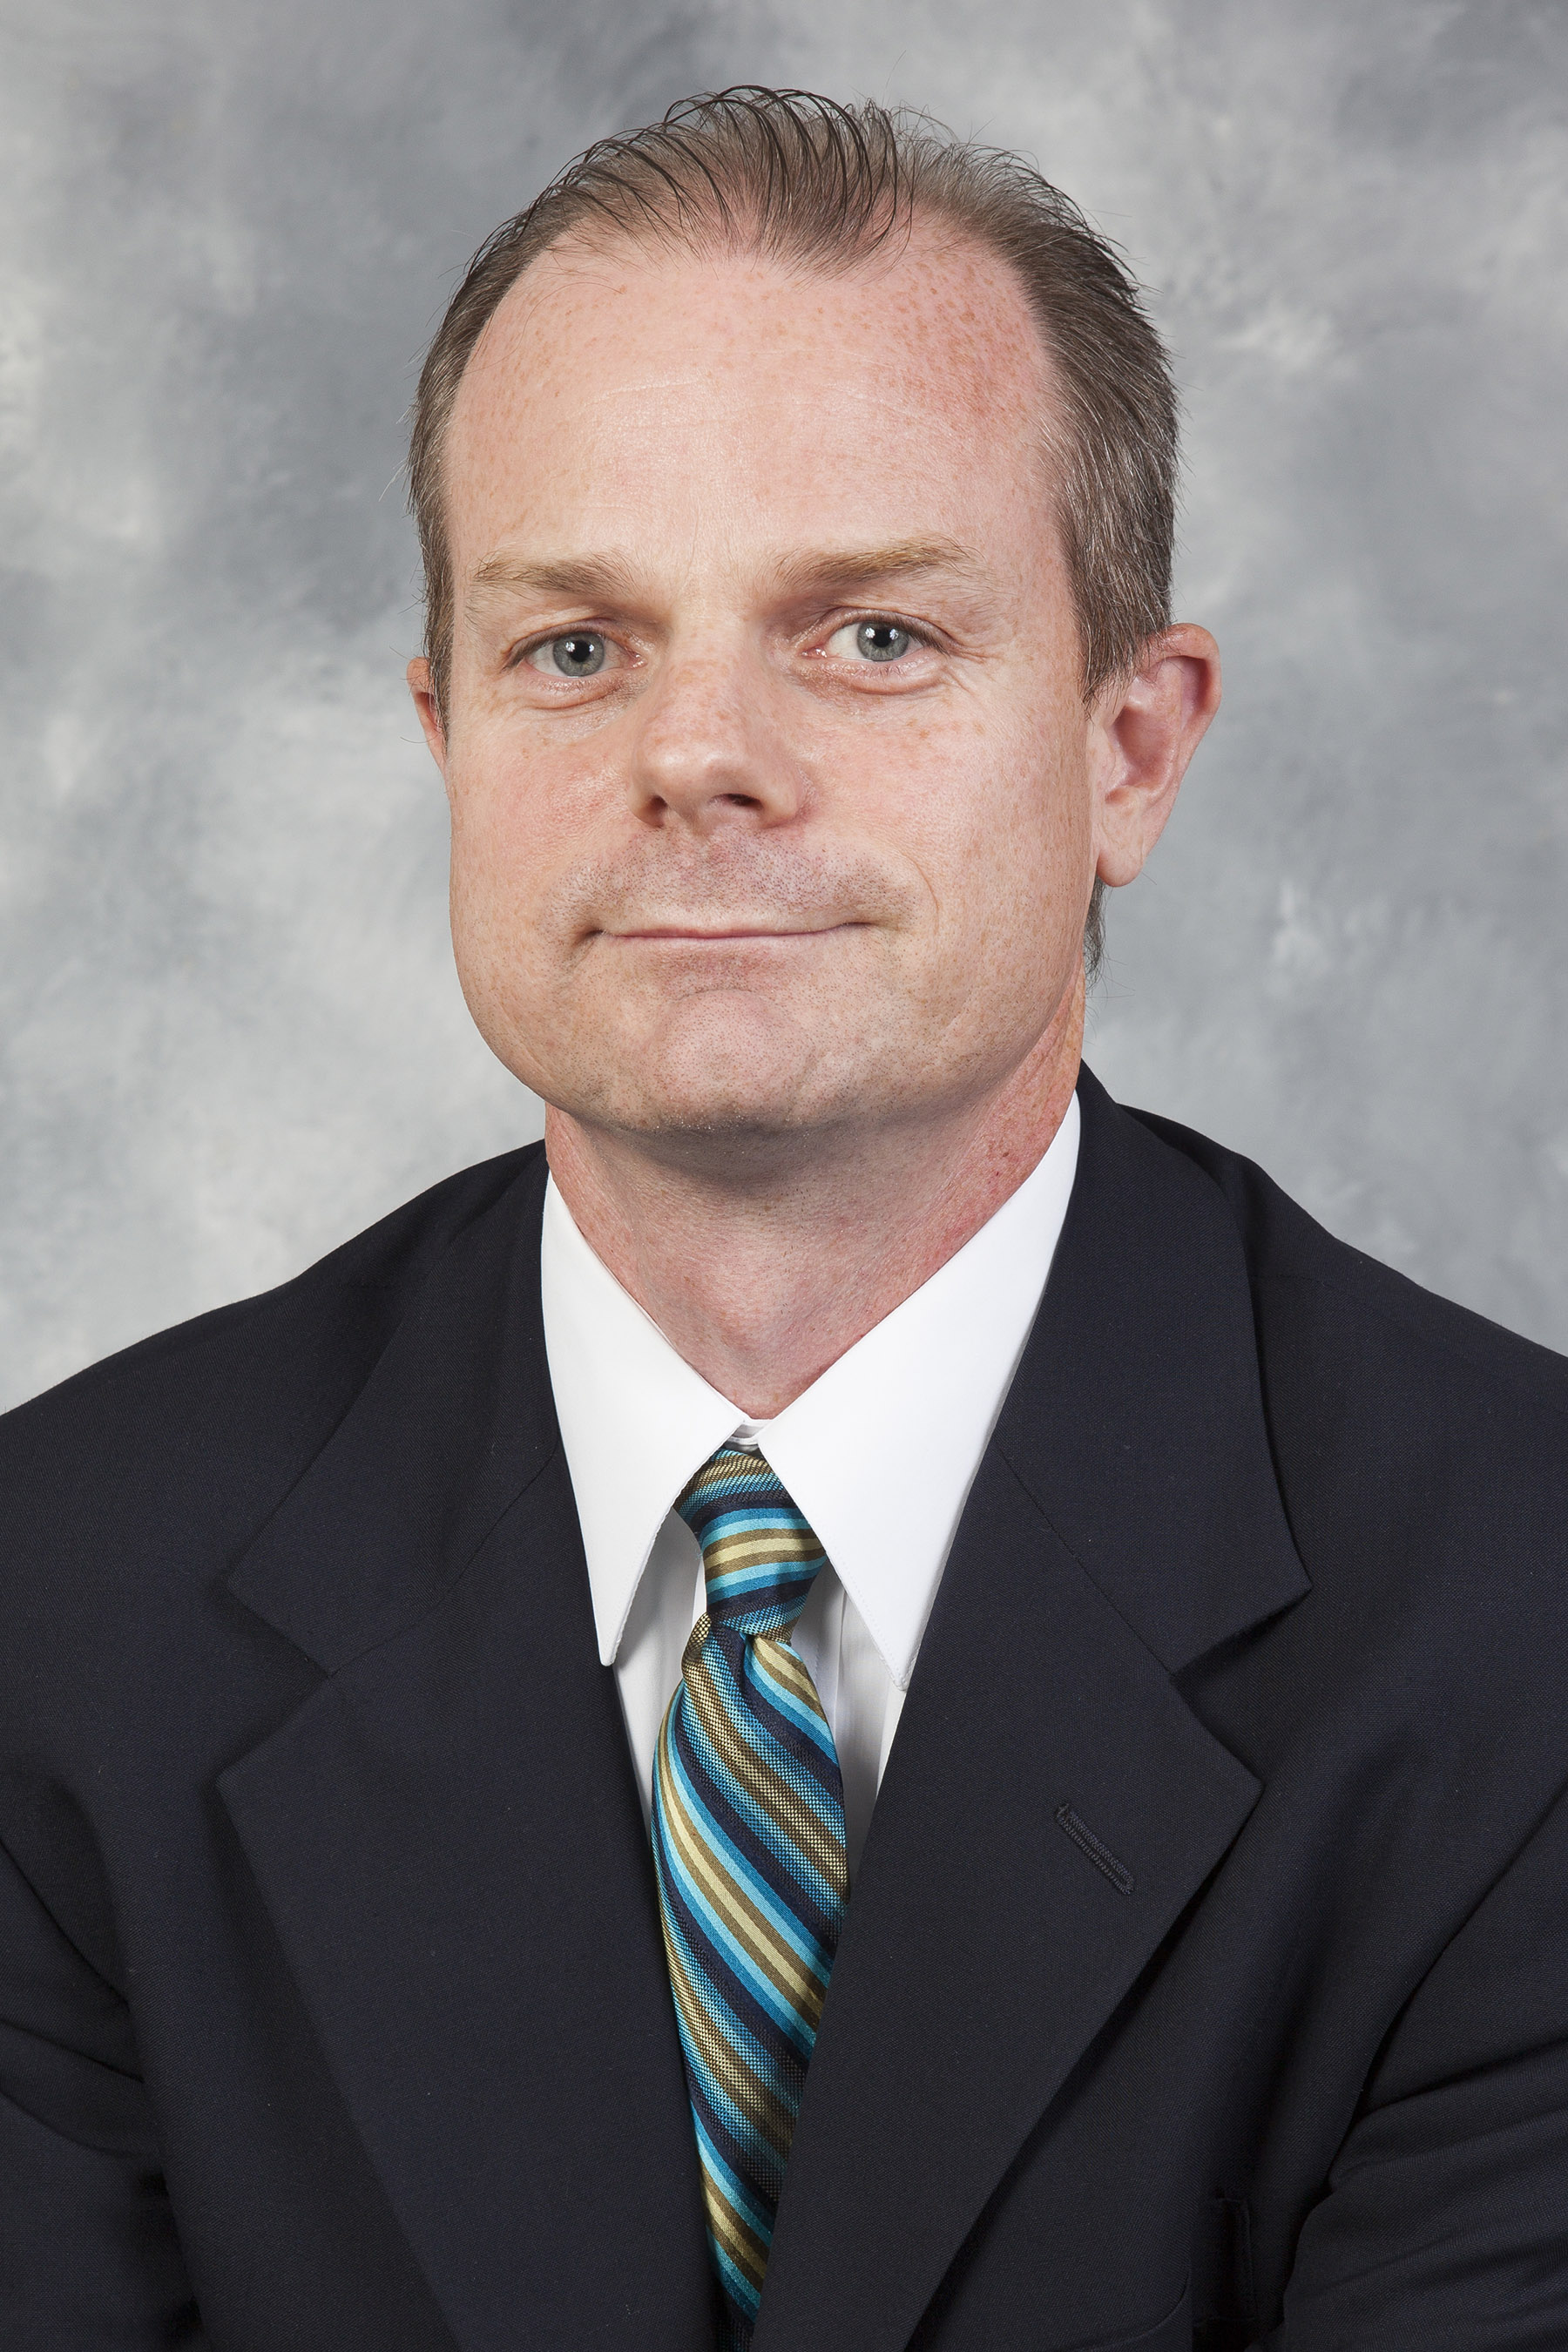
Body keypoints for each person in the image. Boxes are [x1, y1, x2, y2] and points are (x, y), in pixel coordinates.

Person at [2, 85, 1565, 2352]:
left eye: (873, 636)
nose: (696, 753)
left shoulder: (1522, 1628)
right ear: (445, 738)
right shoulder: (57, 1603)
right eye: (576, 647)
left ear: (1130, 750)